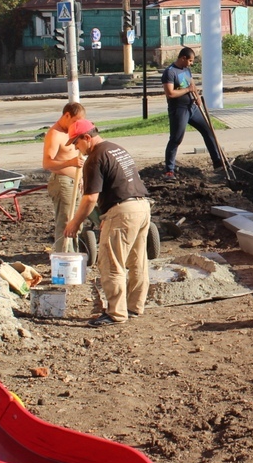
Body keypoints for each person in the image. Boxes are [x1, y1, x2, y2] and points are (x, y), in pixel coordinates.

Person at [63, 119, 151, 327]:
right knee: (137, 261)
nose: (76, 148)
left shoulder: (94, 158)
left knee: (111, 263)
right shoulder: (115, 149)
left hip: (123, 211)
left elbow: (90, 198)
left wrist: (75, 222)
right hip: (141, 206)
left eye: (76, 143)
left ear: (87, 137)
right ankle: (134, 306)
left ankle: (116, 313)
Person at [161, 47, 224, 180]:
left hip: (192, 108)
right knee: (176, 139)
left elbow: (192, 84)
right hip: (179, 110)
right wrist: (188, 90)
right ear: (182, 58)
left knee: (208, 131)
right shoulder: (170, 72)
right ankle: (169, 171)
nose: (191, 63)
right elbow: (170, 93)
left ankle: (218, 162)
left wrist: (196, 96)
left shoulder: (186, 70)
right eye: (190, 60)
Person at [42, 102, 85, 253]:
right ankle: (63, 257)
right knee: (65, 221)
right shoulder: (55, 134)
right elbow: (47, 162)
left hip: (76, 182)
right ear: (67, 115)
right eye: (74, 121)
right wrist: (70, 163)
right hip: (62, 181)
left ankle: (73, 253)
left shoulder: (71, 132)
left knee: (77, 221)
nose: (75, 125)